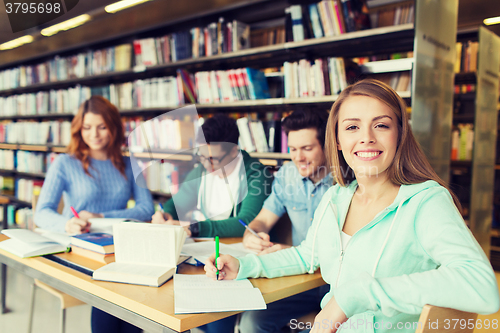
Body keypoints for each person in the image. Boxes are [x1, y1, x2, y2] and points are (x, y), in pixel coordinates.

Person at [204, 79, 500, 333]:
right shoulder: (337, 197)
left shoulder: (425, 201)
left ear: (399, 134)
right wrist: (244, 265)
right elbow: (308, 256)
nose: (366, 138)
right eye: (352, 127)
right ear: (339, 140)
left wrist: (357, 293)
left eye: (381, 125)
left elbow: (481, 286)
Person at [35, 95, 155, 333]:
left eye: (102, 127)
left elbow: (146, 209)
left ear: (114, 127)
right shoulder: (65, 163)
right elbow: (42, 212)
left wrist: (101, 216)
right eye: (87, 127)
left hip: (121, 248)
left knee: (137, 298)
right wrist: (67, 223)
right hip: (81, 249)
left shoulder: (130, 162)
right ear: (79, 129)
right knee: (113, 291)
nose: (94, 134)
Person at [239, 109, 332, 333]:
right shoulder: (286, 175)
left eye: (307, 149)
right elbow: (261, 220)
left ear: (328, 144)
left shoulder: (348, 183)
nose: (298, 157)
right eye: (293, 149)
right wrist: (253, 234)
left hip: (335, 285)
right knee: (252, 322)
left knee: (318, 326)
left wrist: (289, 251)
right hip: (299, 282)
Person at [152, 114, 273, 238]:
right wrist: (166, 215)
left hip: (244, 247)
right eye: (202, 157)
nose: (206, 165)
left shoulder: (256, 175)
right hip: (211, 245)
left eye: (213, 159)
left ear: (233, 151)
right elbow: (176, 205)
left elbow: (247, 223)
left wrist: (196, 228)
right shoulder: (202, 171)